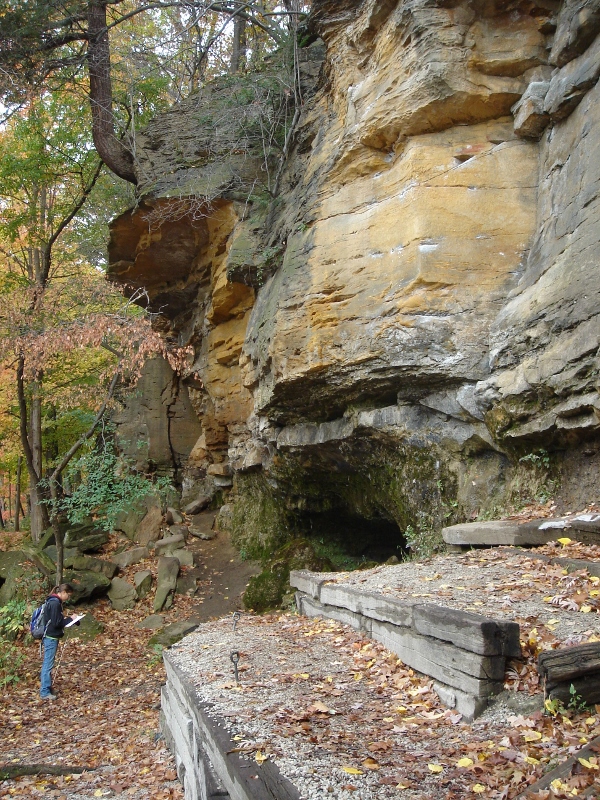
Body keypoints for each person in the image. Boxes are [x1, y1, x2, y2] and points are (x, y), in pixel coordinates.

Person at [39, 583, 79, 700]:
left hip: (50, 636)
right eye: (69, 595)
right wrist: (70, 619)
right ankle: (44, 692)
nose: (68, 598)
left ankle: (47, 688)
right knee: (48, 664)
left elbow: (56, 620)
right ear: (64, 592)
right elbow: (57, 623)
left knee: (48, 663)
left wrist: (69, 620)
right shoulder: (55, 603)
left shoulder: (52, 601)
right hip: (51, 637)